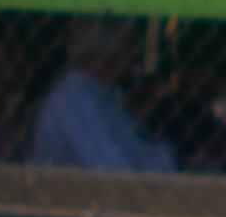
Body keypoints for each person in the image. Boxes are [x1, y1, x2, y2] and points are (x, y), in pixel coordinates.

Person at [27, 18, 177, 173]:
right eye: (128, 44)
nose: (135, 52)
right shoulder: (75, 97)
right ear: (105, 52)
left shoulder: (104, 94)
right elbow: (117, 173)